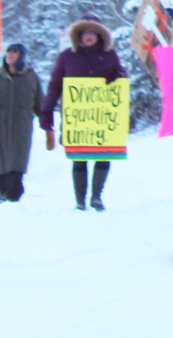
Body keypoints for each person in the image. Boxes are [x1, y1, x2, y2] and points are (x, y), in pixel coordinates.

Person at [41, 21, 128, 210]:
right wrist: (46, 110)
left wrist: (117, 75)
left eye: (93, 32)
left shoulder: (109, 55)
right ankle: (80, 200)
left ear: (99, 36)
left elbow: (121, 74)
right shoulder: (67, 57)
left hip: (102, 115)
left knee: (103, 154)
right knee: (79, 155)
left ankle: (96, 196)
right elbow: (55, 84)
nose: (88, 36)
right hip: (77, 116)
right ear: (78, 36)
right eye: (84, 33)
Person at [0, 45, 45, 203]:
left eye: (14, 52)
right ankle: (2, 191)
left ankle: (12, 194)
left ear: (21, 56)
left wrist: (46, 122)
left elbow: (39, 102)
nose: (10, 55)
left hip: (21, 126)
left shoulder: (31, 76)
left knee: (17, 160)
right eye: (8, 52)